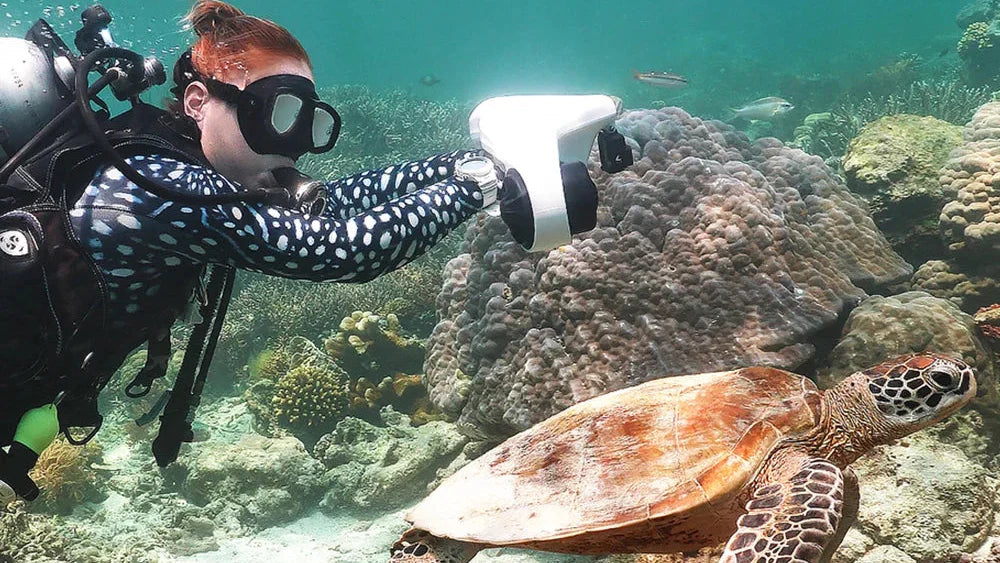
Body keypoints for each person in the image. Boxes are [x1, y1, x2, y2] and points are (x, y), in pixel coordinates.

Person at [0, 0, 497, 501]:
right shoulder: (160, 186)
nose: (292, 145)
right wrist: (482, 183)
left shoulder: (180, 168)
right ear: (198, 102)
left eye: (307, 121)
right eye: (276, 114)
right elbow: (341, 250)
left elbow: (331, 205)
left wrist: (463, 163)